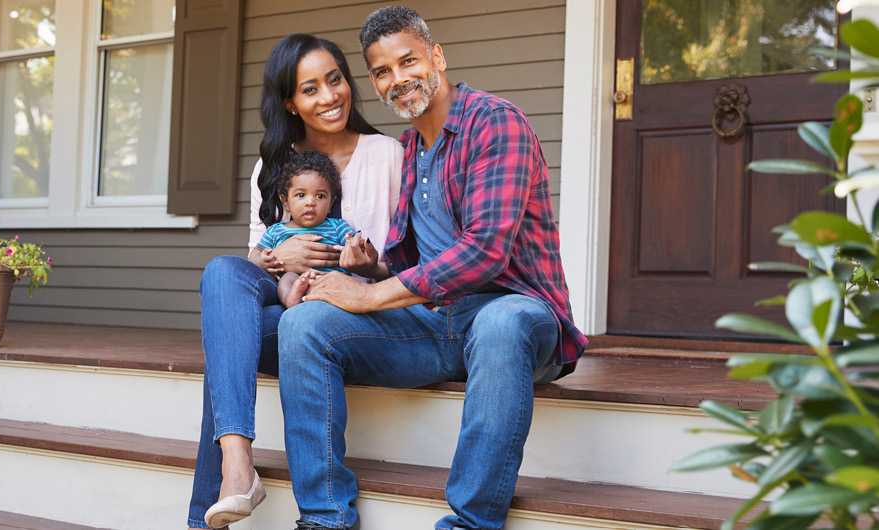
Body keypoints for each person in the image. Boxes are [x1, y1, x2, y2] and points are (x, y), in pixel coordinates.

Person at [277, 7, 588, 530]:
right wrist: (370, 270)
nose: (397, 79)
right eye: (382, 71)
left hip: (517, 316)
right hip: (437, 322)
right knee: (303, 323)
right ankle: (324, 515)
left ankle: (470, 523)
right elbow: (420, 264)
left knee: (500, 323)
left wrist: (370, 296)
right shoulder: (409, 148)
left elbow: (485, 251)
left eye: (408, 61)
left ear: (437, 57)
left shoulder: (495, 122)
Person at [187, 33, 403, 530]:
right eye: (310, 89)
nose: (329, 96)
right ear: (289, 102)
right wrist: (278, 257)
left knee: (227, 346)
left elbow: (407, 265)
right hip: (290, 305)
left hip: (352, 317)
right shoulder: (271, 168)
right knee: (223, 272)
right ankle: (238, 465)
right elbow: (252, 264)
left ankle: (207, 513)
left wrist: (363, 264)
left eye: (335, 79)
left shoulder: (387, 155)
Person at [254, 151, 384, 308]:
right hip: (295, 280)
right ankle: (291, 298)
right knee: (288, 278)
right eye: (301, 195)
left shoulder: (337, 226)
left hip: (329, 282)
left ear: (331, 203)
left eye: (320, 196)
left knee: (340, 279)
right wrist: (261, 261)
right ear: (286, 202)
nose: (310, 202)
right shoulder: (276, 231)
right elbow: (256, 252)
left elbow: (353, 244)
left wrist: (358, 247)